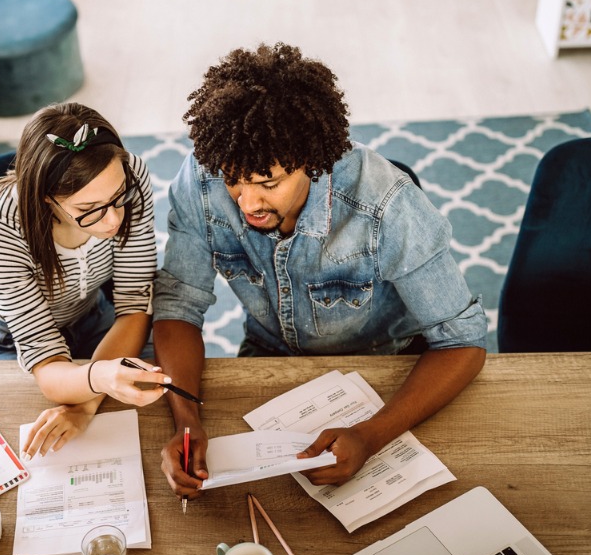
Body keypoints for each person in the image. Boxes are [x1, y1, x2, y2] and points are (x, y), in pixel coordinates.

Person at [153, 43, 487, 501]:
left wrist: (371, 436)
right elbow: (178, 305)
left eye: (268, 183)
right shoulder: (201, 179)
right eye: (235, 179)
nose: (247, 203)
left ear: (312, 162)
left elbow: (463, 342)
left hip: (384, 365)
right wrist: (187, 423)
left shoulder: (387, 205)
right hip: (267, 353)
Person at [0, 102, 171, 463]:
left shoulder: (131, 173)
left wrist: (84, 406)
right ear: (46, 198)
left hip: (92, 316)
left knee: (161, 403)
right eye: (90, 209)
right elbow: (46, 362)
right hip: (6, 339)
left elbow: (135, 303)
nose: (113, 220)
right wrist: (100, 379)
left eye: (118, 197)